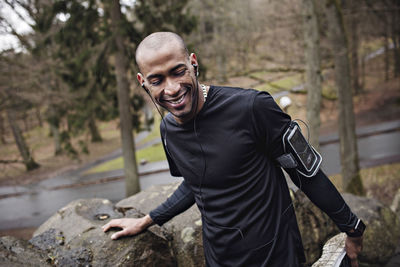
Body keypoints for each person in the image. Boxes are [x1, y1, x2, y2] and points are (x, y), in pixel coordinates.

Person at [102, 32, 364, 267]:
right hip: (220, 258)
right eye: (157, 80)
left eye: (178, 71)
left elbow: (306, 173)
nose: (171, 88)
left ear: (193, 63)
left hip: (277, 255)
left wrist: (352, 229)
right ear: (143, 82)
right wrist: (146, 221)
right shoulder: (168, 129)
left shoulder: (252, 108)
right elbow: (196, 185)